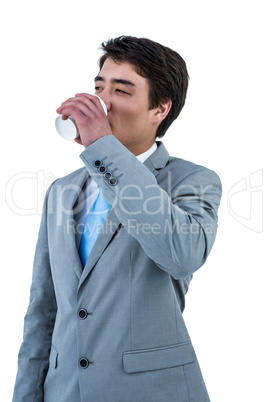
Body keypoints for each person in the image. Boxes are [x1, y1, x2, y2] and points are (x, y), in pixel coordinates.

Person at [13, 36, 222, 402]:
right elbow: (43, 310)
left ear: (160, 109)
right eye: (98, 87)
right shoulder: (62, 191)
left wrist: (103, 148)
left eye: (121, 91)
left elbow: (181, 253)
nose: (102, 102)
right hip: (64, 393)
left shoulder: (191, 180)